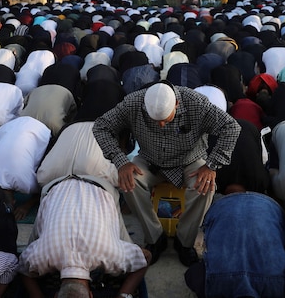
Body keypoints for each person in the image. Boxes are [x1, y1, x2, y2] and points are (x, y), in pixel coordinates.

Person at [93, 82, 241, 266]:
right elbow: (101, 126)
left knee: (204, 186)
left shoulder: (196, 103)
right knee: (128, 181)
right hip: (150, 160)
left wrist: (211, 165)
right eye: (155, 120)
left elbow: (231, 127)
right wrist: (120, 161)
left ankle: (185, 241)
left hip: (189, 160)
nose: (161, 125)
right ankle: (154, 237)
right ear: (145, 107)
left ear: (177, 104)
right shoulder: (133, 103)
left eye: (165, 119)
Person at [18, 175, 149, 298]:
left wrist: (123, 295)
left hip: (100, 183)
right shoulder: (40, 257)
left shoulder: (111, 256)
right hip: (56, 183)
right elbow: (22, 267)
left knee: (124, 245)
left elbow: (146, 257)